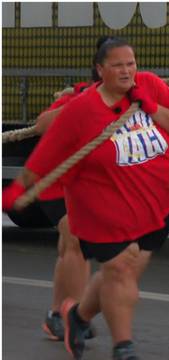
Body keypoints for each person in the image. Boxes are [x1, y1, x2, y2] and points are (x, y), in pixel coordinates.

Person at [3, 36, 169, 360]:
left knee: (123, 273)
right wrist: (18, 189)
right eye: (117, 65)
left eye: (130, 63)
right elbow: (45, 147)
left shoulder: (149, 86)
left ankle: (77, 317)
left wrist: (152, 106)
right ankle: (123, 346)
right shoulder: (81, 106)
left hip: (155, 204)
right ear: (100, 70)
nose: (126, 71)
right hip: (103, 208)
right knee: (117, 272)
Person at [34, 39, 106, 342]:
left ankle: (55, 315)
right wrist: (82, 100)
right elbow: (41, 125)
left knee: (70, 248)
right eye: (117, 63)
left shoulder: (131, 101)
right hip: (55, 183)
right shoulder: (78, 95)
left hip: (89, 188)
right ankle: (73, 315)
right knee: (75, 241)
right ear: (99, 68)